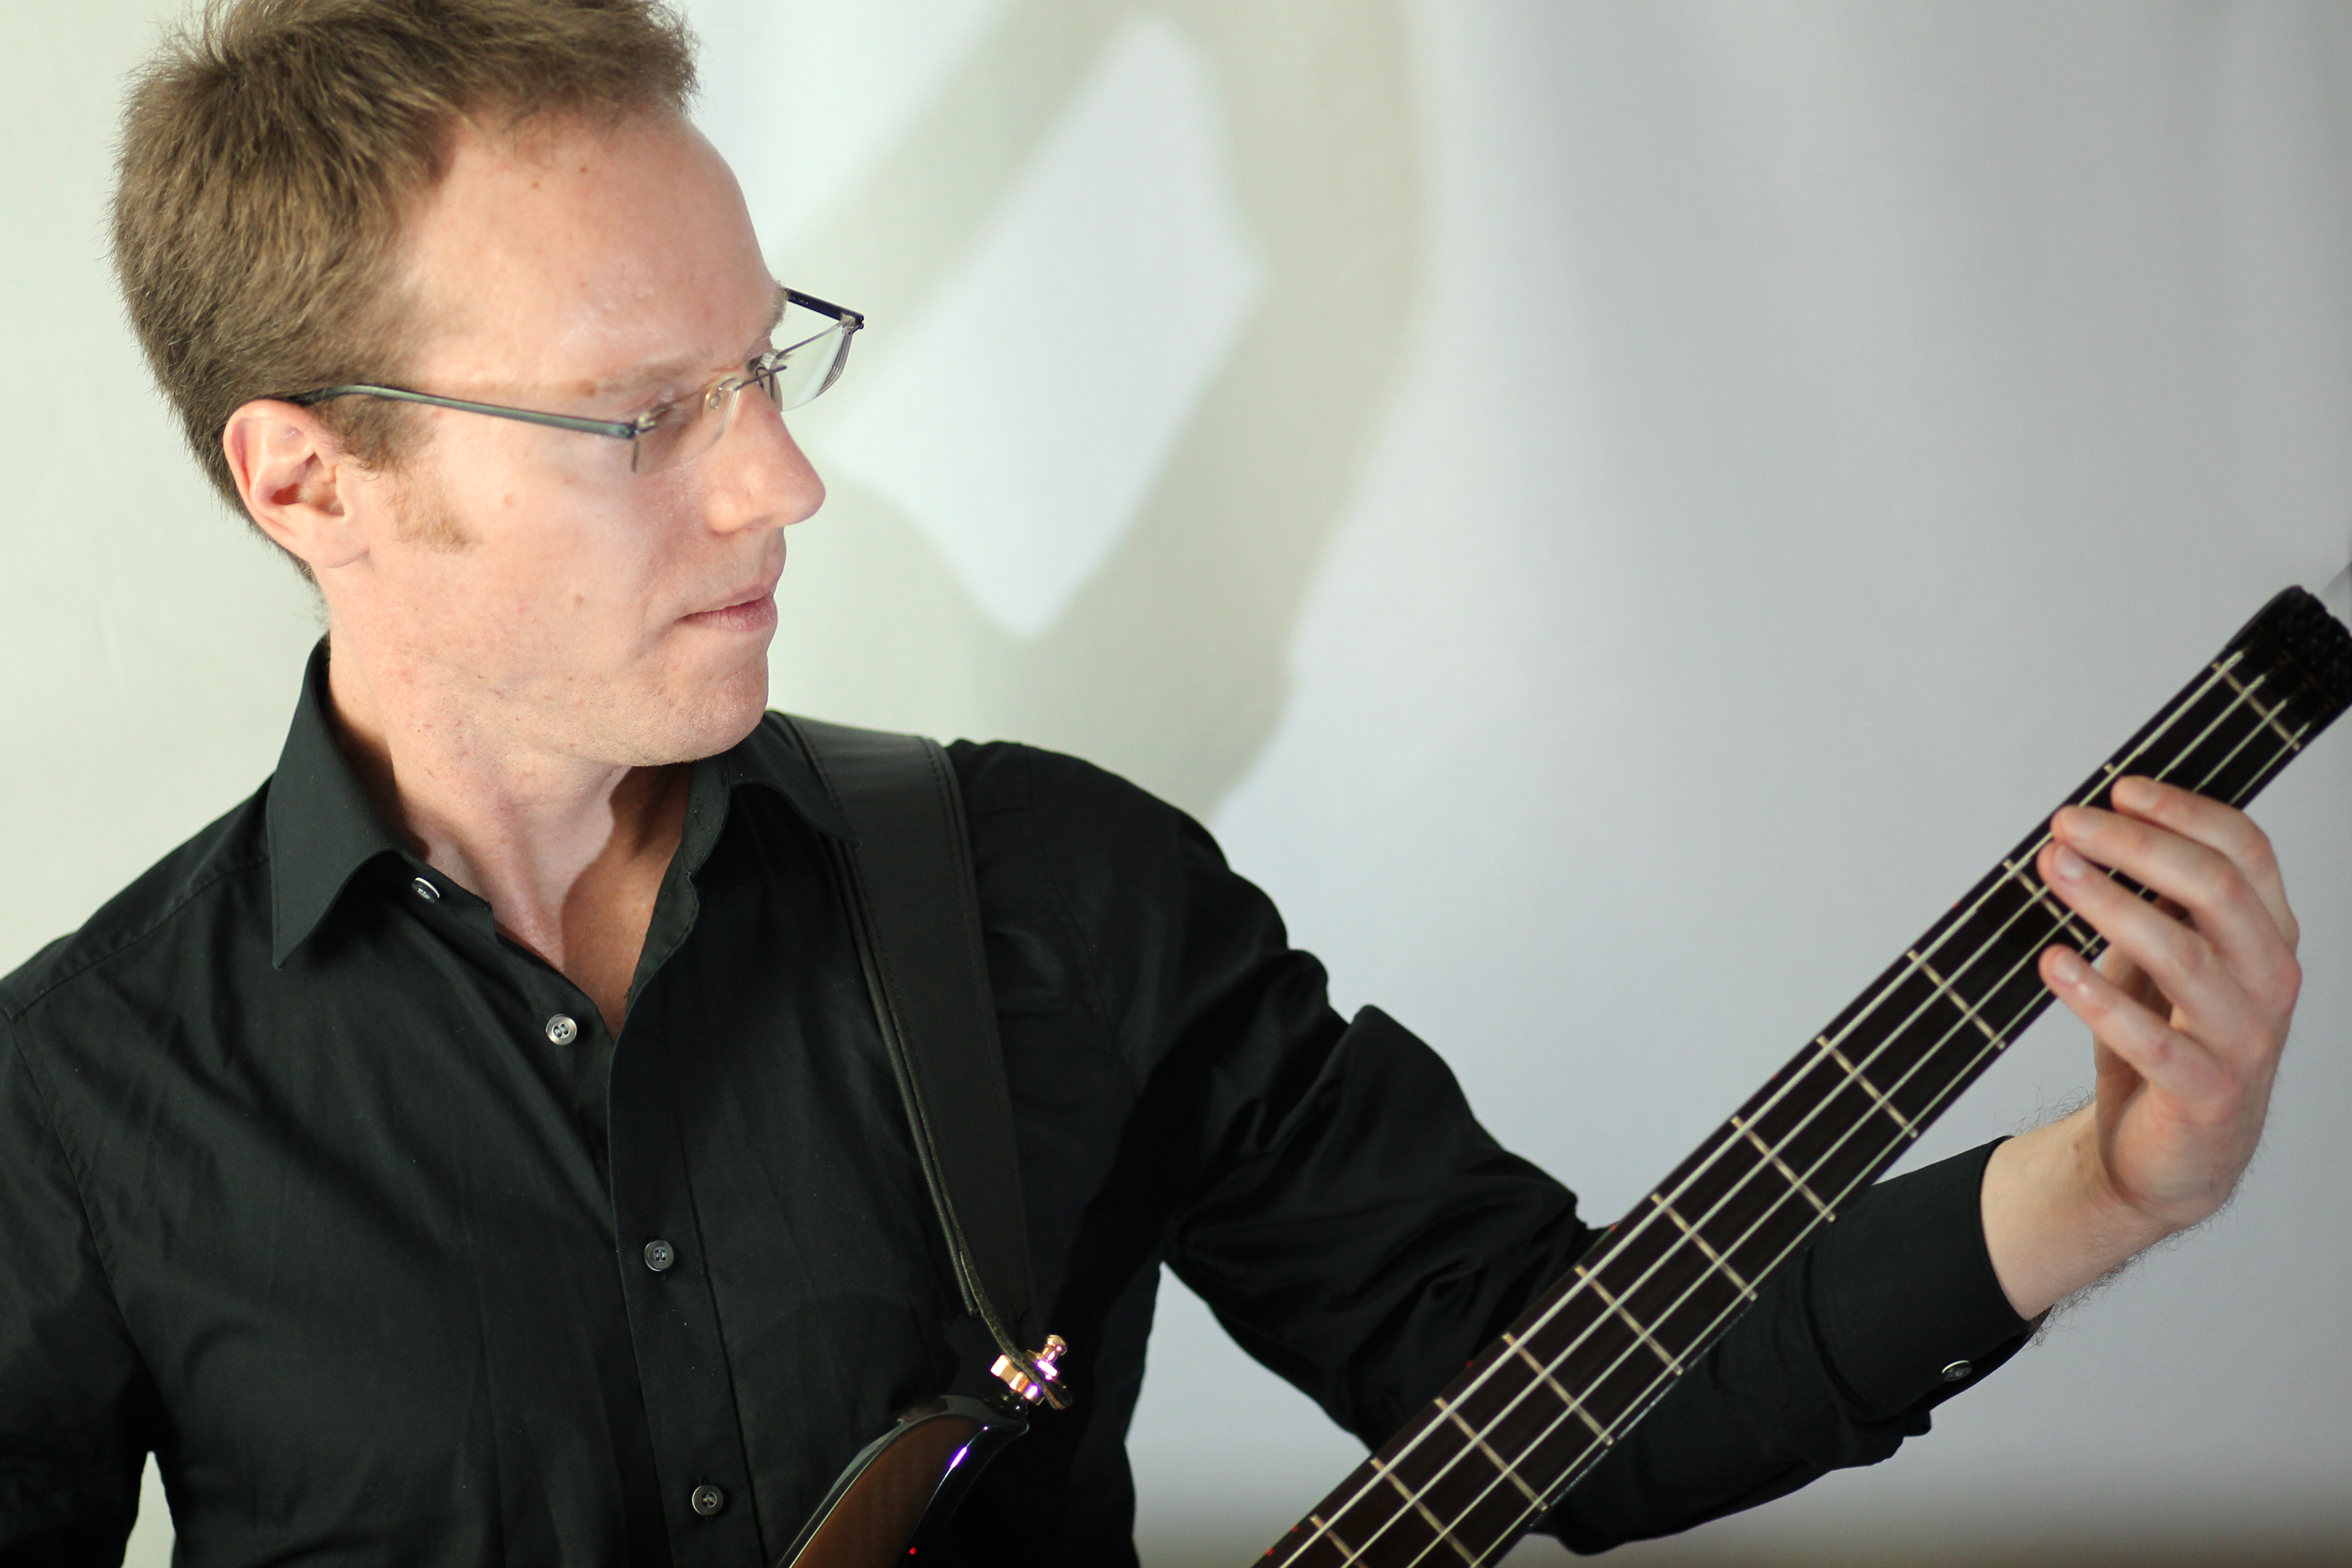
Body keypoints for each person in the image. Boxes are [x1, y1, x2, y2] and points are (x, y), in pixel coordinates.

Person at [0, 1, 2304, 1564]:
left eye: (765, 366)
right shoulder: (84, 1109)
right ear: (310, 479)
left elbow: (1560, 1398)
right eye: (642, 416)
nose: (784, 480)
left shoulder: (1043, 894)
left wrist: (2113, 1180)